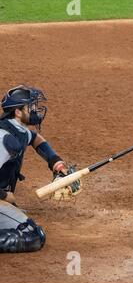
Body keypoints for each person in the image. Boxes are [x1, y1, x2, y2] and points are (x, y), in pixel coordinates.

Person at [0, 85, 81, 253]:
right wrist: (4, 195)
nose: (36, 110)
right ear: (17, 112)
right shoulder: (5, 138)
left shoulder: (18, 130)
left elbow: (36, 139)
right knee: (32, 235)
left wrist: (57, 165)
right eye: (31, 107)